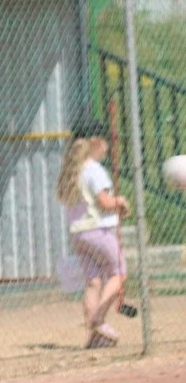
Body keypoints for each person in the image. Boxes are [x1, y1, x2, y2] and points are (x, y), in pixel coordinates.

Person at [56, 115, 131, 349]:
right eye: (106, 142)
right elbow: (104, 202)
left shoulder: (74, 170)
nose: (108, 147)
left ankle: (95, 335)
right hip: (98, 231)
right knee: (119, 274)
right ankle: (97, 319)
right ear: (96, 143)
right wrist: (121, 202)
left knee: (94, 282)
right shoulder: (94, 170)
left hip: (79, 235)